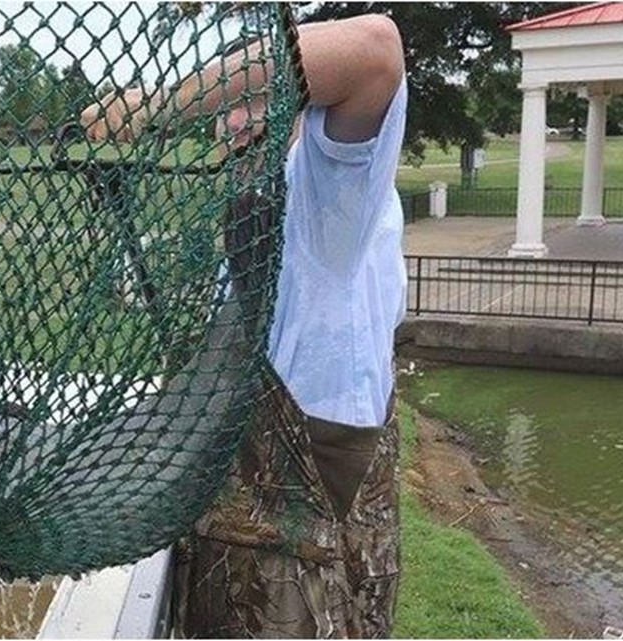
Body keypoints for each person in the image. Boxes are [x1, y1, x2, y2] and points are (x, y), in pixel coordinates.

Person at [82, 14, 407, 639]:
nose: (233, 122)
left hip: (304, 551)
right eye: (225, 111)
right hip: (243, 553)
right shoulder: (263, 204)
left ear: (298, 100)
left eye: (252, 99)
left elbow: (376, 50)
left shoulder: (329, 190)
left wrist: (151, 106)